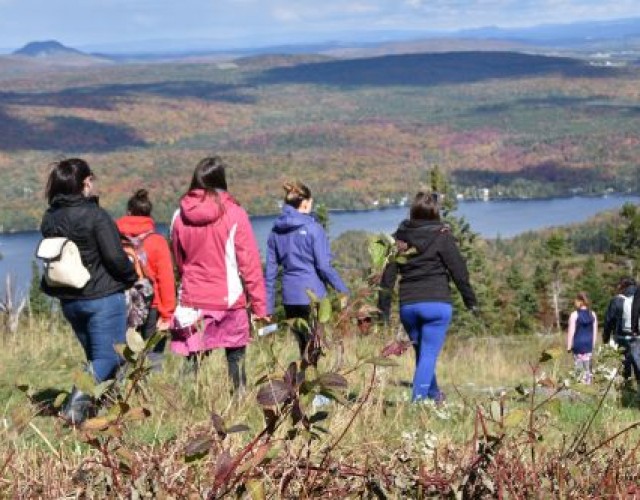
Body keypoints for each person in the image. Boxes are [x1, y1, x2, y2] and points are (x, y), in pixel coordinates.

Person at [40, 158, 137, 424]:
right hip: (103, 298)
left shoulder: (50, 217)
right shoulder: (96, 215)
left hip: (70, 300)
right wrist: (131, 276)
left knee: (96, 358)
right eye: (91, 180)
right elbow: (115, 258)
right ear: (85, 183)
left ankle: (97, 411)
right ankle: (74, 409)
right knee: (108, 357)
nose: (93, 185)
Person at [170, 156, 267, 391]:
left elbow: (179, 261)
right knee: (236, 359)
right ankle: (238, 404)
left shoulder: (178, 216)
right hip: (229, 299)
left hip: (193, 300)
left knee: (192, 358)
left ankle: (184, 405)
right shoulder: (235, 214)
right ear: (222, 180)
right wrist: (260, 308)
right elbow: (250, 265)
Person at [378, 192, 477, 403]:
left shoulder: (400, 238)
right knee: (429, 355)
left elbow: (388, 276)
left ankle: (434, 395)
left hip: (409, 306)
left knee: (423, 354)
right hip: (437, 303)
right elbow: (459, 271)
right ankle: (418, 403)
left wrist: (383, 310)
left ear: (413, 211)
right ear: (435, 212)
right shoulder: (442, 236)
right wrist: (470, 301)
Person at [265, 181, 349, 359]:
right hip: (313, 296)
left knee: (302, 345)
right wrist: (342, 290)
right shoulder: (313, 229)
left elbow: (270, 274)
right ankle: (309, 381)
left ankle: (301, 381)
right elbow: (324, 266)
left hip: (290, 297)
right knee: (314, 346)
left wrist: (268, 307)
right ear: (305, 203)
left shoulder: (275, 231)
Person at [116, 189, 176, 368]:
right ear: (149, 215)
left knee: (125, 351)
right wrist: (167, 314)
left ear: (128, 212)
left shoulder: (114, 238)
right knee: (153, 355)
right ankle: (152, 392)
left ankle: (123, 390)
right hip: (152, 304)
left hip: (123, 302)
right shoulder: (157, 241)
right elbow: (166, 279)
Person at [603, 277, 638, 389]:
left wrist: (606, 337)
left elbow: (609, 320)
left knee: (625, 364)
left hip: (622, 338)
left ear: (622, 286)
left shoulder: (617, 300)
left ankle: (626, 389)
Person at [566, 292, 597, 384]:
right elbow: (594, 331)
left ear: (580, 301)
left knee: (578, 367)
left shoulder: (574, 315)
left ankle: (579, 386)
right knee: (588, 367)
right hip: (588, 344)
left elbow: (571, 332)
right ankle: (588, 384)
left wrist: (569, 346)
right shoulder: (593, 314)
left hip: (578, 344)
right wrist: (593, 344)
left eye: (576, 300)